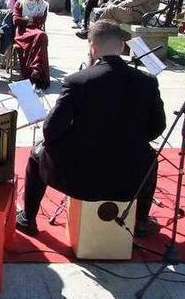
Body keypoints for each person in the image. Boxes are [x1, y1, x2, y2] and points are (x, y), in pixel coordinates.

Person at [16, 20, 166, 237]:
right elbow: (157, 128)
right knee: (150, 157)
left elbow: (50, 131)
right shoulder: (147, 81)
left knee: (37, 153)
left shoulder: (77, 81)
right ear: (123, 47)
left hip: (79, 180)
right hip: (130, 180)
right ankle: (141, 222)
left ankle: (28, 219)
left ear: (92, 47)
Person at [12, 0, 50, 89]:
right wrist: (30, 20)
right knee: (41, 35)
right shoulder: (20, 2)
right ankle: (35, 70)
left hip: (36, 31)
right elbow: (16, 20)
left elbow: (42, 20)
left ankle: (36, 71)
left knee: (41, 36)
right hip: (23, 32)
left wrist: (28, 20)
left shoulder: (43, 4)